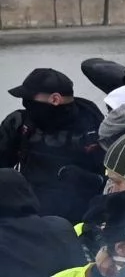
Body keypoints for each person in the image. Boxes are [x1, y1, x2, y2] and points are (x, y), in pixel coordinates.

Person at [0, 68, 105, 222]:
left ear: (55, 99)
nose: (25, 103)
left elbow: (115, 177)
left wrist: (89, 179)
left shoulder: (93, 124)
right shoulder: (19, 123)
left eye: (29, 98)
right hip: (31, 215)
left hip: (81, 217)